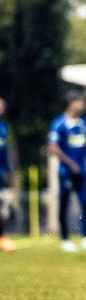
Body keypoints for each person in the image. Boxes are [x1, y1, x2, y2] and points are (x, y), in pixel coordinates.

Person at [48, 91, 86, 252]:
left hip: (82, 171)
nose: (82, 105)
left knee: (85, 203)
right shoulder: (59, 123)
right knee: (64, 204)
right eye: (79, 101)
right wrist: (70, 164)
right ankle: (65, 239)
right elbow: (53, 147)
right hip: (66, 172)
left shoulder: (84, 122)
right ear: (70, 103)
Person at [0, 97, 16, 252]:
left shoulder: (4, 127)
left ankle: (2, 237)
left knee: (2, 207)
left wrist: (10, 171)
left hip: (1, 173)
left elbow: (9, 151)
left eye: (3, 106)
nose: (2, 108)